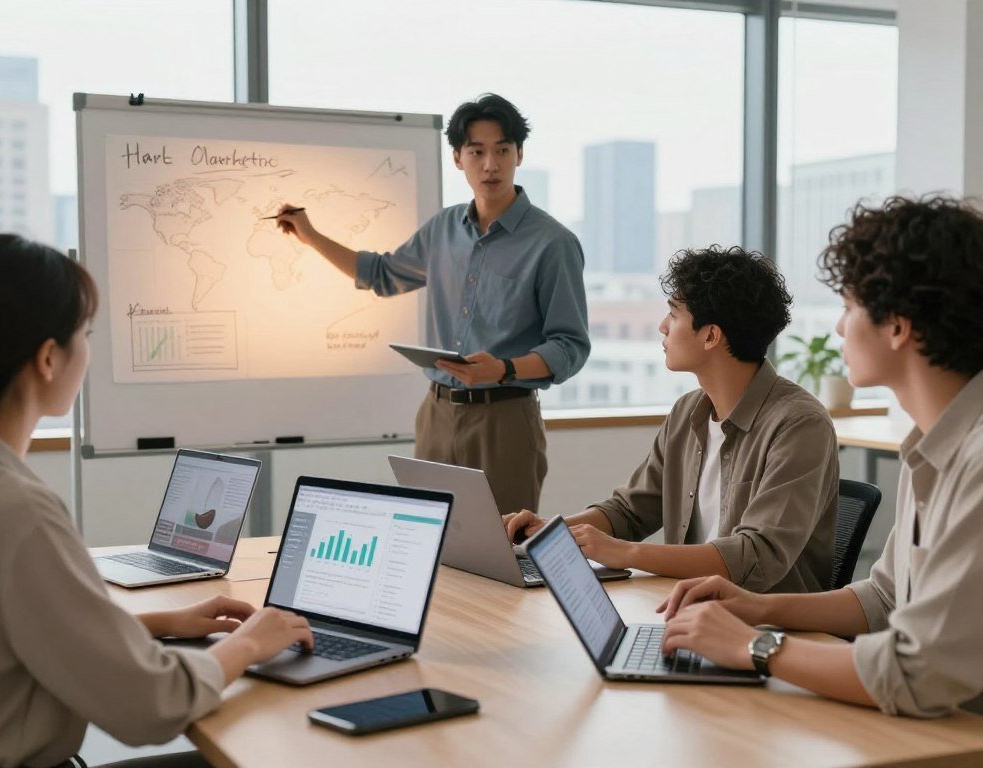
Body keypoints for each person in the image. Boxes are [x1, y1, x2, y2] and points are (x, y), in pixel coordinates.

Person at [0, 234, 313, 768]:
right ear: (49, 358)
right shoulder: (15, 510)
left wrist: (155, 625)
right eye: (87, 334)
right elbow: (150, 706)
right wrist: (251, 644)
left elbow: (7, 640)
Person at [659, 196, 983, 718]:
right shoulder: (934, 449)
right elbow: (885, 598)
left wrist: (756, 647)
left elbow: (917, 673)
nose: (838, 328)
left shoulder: (976, 464)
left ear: (897, 326)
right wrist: (756, 608)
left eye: (849, 307)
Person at [276, 94, 589, 517]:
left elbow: (570, 346)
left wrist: (503, 368)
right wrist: (310, 235)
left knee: (501, 551)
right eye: (476, 152)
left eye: (502, 151)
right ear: (458, 158)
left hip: (505, 420)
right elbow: (382, 275)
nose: (490, 165)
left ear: (520, 154)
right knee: (423, 542)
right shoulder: (444, 228)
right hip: (437, 413)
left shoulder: (552, 243)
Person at [505, 246, 838, 593]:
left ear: (710, 335)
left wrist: (627, 553)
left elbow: (756, 556)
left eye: (674, 314)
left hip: (767, 628)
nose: (663, 327)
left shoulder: (799, 424)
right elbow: (630, 512)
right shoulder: (687, 413)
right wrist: (550, 532)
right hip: (689, 607)